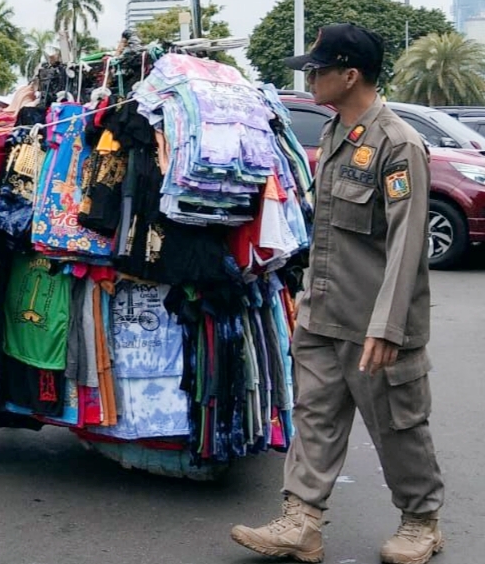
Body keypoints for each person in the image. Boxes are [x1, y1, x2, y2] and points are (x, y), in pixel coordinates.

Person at [230, 24, 444, 564]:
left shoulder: (398, 143)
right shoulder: (333, 135)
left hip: (374, 323)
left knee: (399, 427)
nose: (311, 77)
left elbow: (407, 243)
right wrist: (304, 294)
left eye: (319, 69)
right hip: (323, 314)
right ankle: (302, 520)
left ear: (350, 75)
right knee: (314, 418)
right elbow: (325, 230)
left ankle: (421, 522)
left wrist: (389, 326)